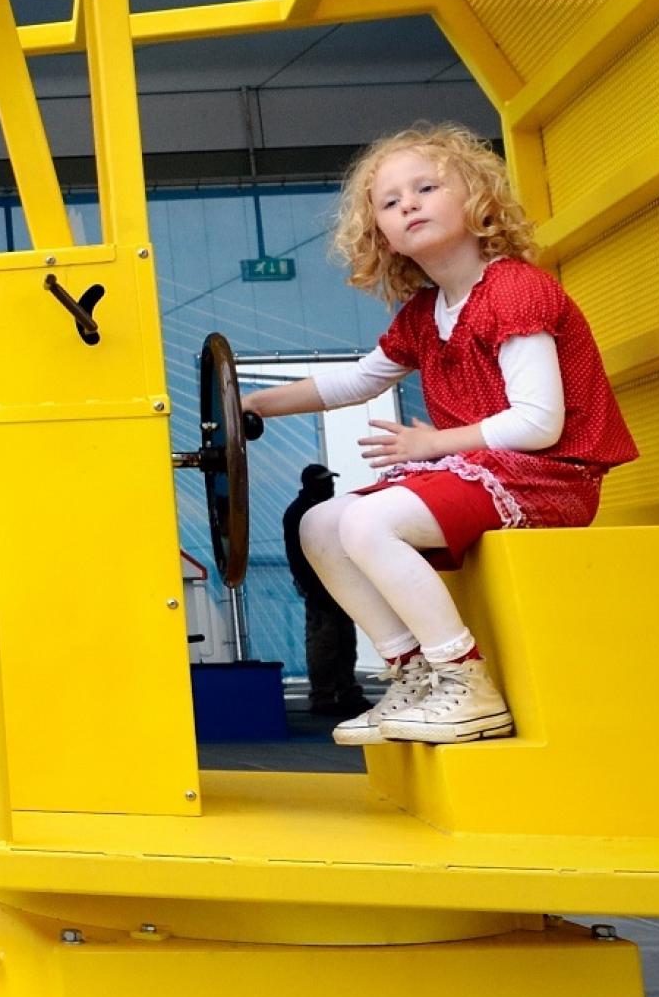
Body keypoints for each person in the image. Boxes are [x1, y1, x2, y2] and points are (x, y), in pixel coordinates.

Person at [242, 123, 636, 746]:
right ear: (380, 233)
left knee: (370, 524)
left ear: (477, 198)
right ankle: (415, 673)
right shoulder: (426, 313)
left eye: (426, 187)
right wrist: (250, 404)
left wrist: (433, 445)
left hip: (550, 480)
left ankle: (464, 680)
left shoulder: (513, 289)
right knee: (318, 524)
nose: (409, 204)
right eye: (390, 202)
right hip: (484, 475)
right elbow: (356, 381)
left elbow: (539, 424)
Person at [279, 462, 365, 718]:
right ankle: (324, 696)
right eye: (325, 481)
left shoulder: (321, 509)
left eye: (331, 480)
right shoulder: (299, 513)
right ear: (311, 484)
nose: (331, 485)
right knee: (324, 643)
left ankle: (346, 692)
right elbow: (297, 556)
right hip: (319, 586)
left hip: (338, 582)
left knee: (345, 641)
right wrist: (311, 588)